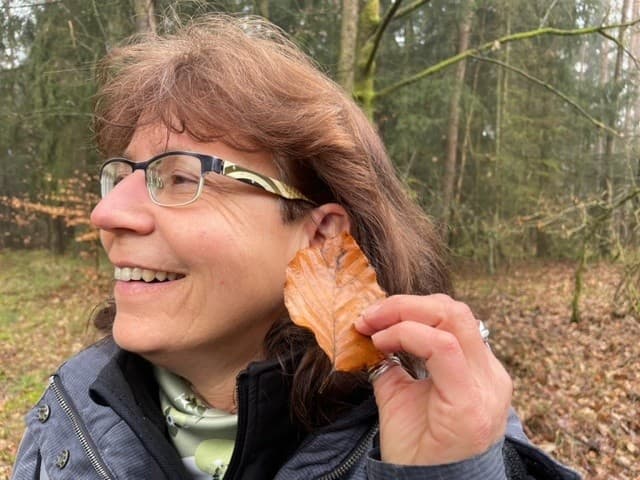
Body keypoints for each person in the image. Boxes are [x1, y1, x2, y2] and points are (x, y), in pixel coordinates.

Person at [11, 14, 581, 480]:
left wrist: (445, 474)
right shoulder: (75, 407)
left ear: (320, 233)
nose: (105, 214)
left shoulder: (443, 430)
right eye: (123, 177)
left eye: (180, 177)